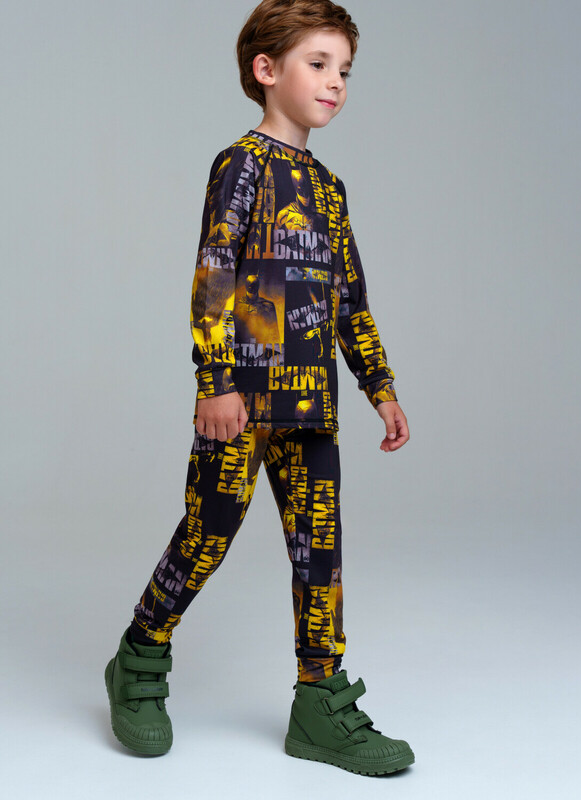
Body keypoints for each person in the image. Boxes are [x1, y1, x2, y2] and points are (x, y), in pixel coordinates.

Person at [104, 0, 415, 777]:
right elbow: (217, 275)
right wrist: (217, 381)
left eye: (345, 71)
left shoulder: (330, 188)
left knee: (320, 555)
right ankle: (139, 655)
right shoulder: (241, 165)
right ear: (266, 70)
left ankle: (320, 702)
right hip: (242, 401)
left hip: (313, 408)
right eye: (319, 64)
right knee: (207, 532)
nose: (336, 83)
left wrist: (379, 385)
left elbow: (349, 299)